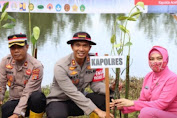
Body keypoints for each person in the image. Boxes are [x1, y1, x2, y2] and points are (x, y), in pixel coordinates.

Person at [46, 32, 114, 118]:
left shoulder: (94, 61)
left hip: (80, 100)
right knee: (57, 115)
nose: (81, 49)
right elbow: (72, 92)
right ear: (72, 47)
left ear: (89, 48)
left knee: (105, 100)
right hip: (59, 100)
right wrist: (97, 110)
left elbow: (95, 84)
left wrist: (110, 88)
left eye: (85, 45)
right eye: (77, 45)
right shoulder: (61, 66)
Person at [110, 46, 177, 118]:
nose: (155, 62)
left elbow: (161, 104)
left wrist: (132, 103)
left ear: (166, 59)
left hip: (171, 114)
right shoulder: (148, 76)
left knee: (146, 112)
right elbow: (142, 101)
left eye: (159, 58)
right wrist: (122, 106)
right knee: (146, 111)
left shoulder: (172, 78)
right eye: (152, 59)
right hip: (152, 112)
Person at [0, 34, 46, 118]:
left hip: (31, 101)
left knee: (38, 98)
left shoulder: (36, 66)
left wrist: (17, 113)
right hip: (15, 99)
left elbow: (28, 92)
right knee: (6, 109)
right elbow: (1, 85)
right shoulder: (5, 61)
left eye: (20, 47)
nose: (16, 51)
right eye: (13, 48)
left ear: (27, 47)